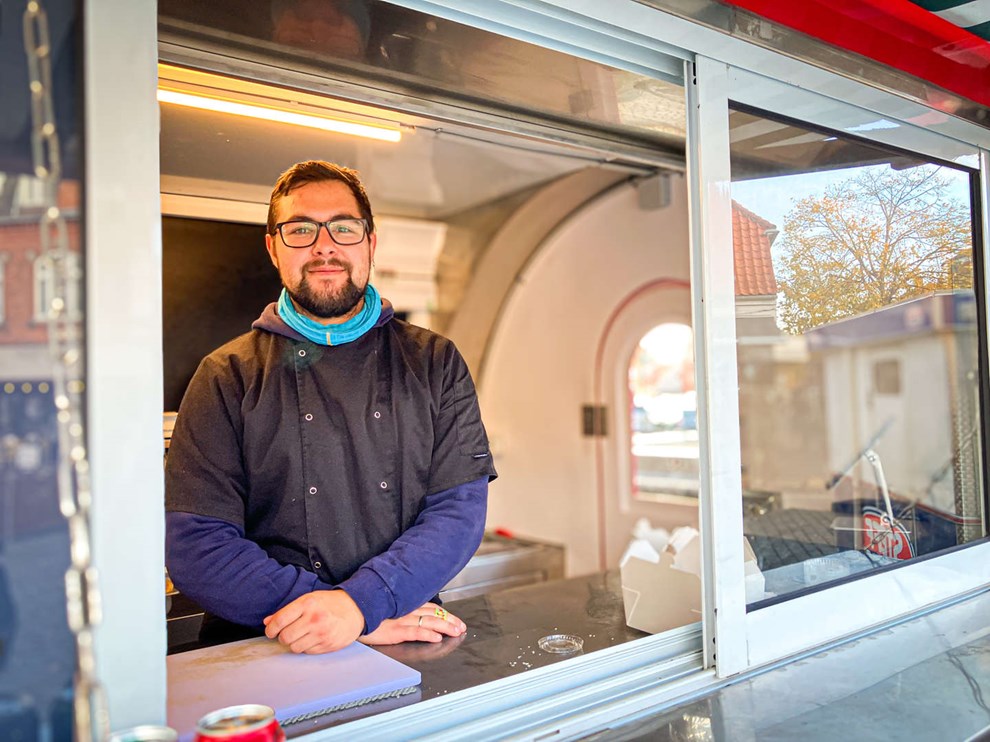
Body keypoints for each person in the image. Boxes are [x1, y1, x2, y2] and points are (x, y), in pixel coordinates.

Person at [165, 160, 496, 654]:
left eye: (343, 227)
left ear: (370, 243)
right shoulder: (225, 375)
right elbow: (197, 544)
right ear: (273, 248)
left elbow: (458, 514)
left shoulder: (434, 362)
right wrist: (347, 614)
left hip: (404, 626)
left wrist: (363, 605)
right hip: (269, 642)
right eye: (301, 229)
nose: (324, 246)